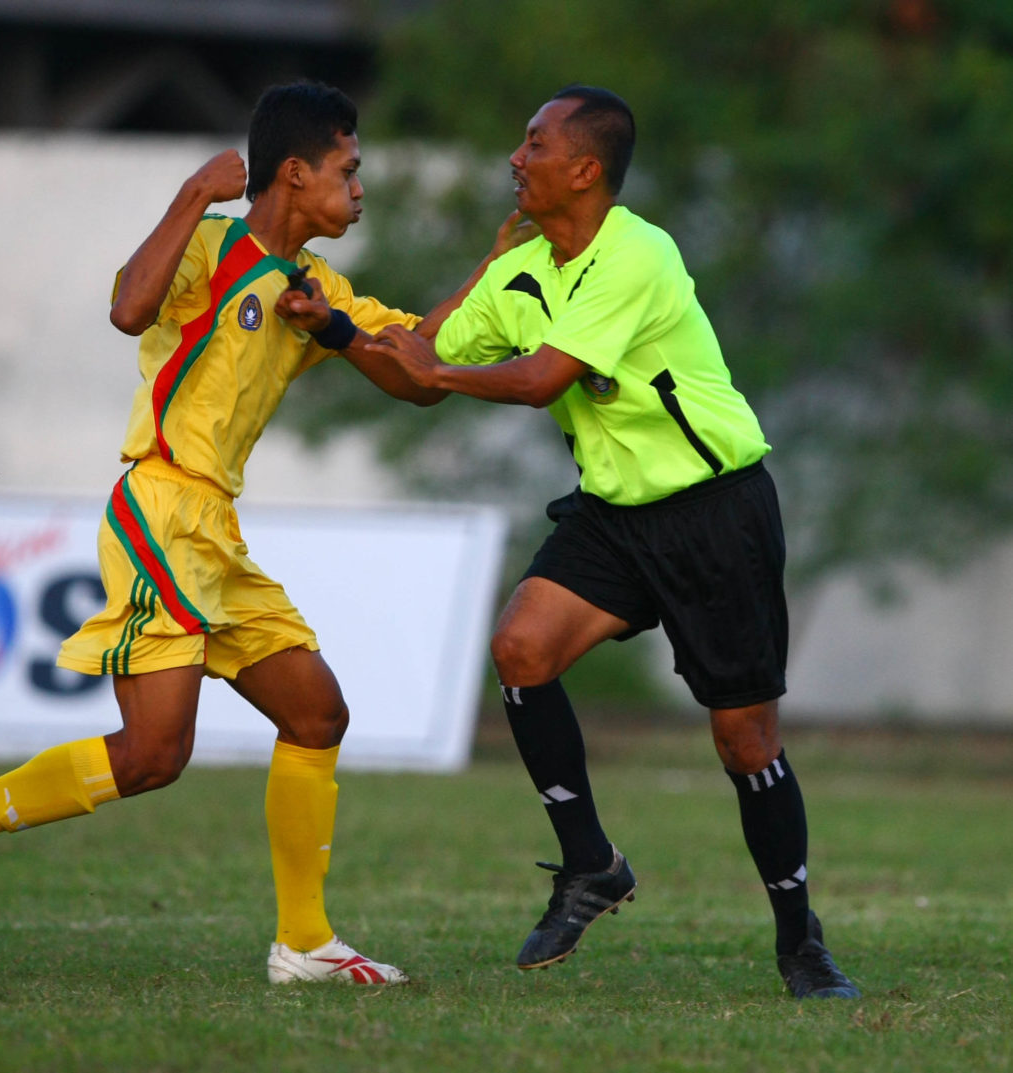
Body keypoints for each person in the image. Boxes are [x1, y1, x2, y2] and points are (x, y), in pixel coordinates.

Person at [0, 80, 486, 986]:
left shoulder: (317, 289)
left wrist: (478, 272)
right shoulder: (213, 246)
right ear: (294, 173)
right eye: (348, 171)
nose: (360, 190)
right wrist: (195, 193)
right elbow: (127, 308)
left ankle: (305, 942)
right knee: (155, 755)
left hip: (215, 532)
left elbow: (422, 371)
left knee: (317, 713)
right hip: (159, 509)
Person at [367, 85, 861, 1000]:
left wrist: (436, 364)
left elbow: (540, 375)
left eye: (535, 143)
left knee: (745, 743)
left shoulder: (639, 250)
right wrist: (337, 325)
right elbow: (421, 366)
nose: (517, 158)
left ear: (585, 169)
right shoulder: (522, 266)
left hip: (715, 511)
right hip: (615, 515)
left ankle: (802, 943)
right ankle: (590, 863)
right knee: (519, 647)